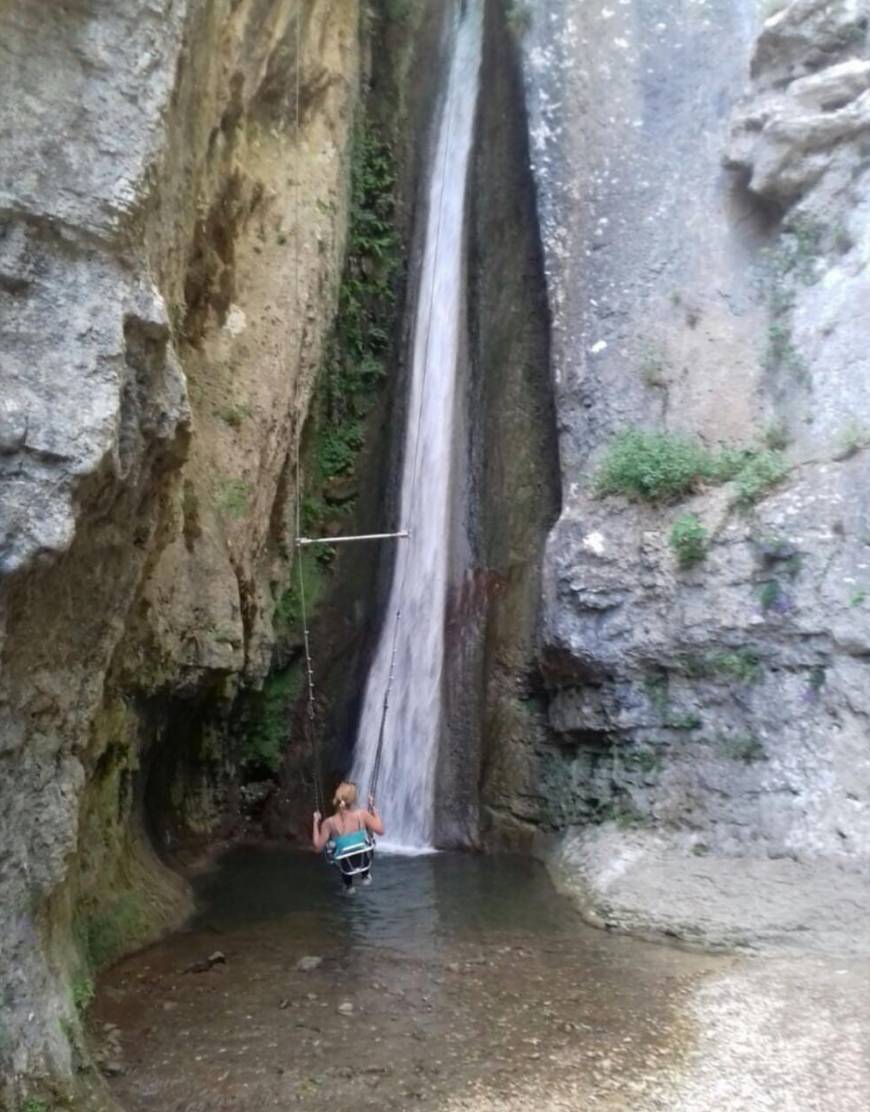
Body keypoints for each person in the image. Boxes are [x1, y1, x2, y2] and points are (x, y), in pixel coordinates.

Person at [312, 781, 385, 894]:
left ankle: (348, 885)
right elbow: (380, 831)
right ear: (354, 800)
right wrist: (374, 812)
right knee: (362, 848)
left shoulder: (328, 823)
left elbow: (317, 847)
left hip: (345, 865)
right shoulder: (362, 815)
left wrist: (315, 822)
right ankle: (365, 875)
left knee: (343, 857)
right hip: (363, 861)